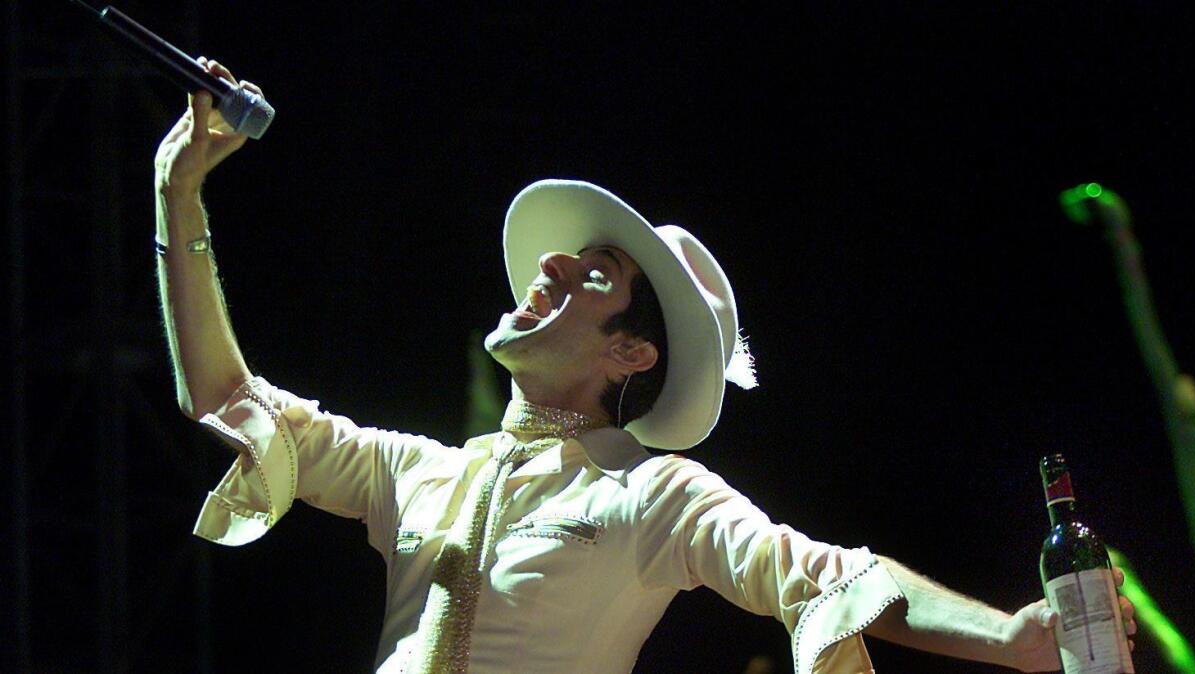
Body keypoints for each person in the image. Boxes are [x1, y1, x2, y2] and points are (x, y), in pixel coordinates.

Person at [155, 59, 1137, 674]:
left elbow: (830, 575)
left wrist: (1008, 639)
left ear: (629, 350)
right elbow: (230, 399)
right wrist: (180, 194)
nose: (548, 269)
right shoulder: (418, 473)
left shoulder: (654, 491)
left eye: (590, 275)